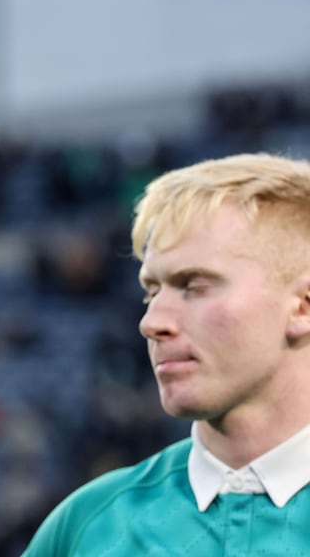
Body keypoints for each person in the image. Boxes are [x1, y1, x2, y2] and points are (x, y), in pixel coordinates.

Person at [24, 152, 310, 554]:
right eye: (151, 291)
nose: (152, 322)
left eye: (194, 286)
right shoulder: (89, 526)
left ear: (303, 306)